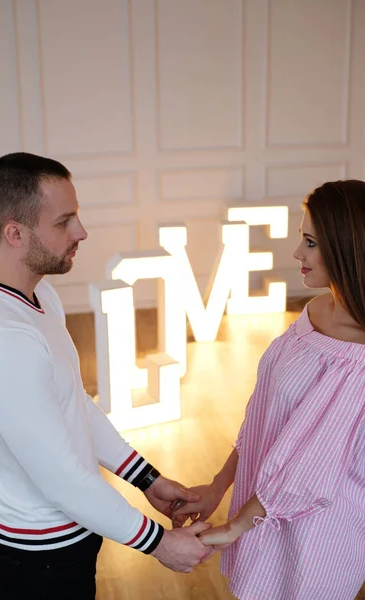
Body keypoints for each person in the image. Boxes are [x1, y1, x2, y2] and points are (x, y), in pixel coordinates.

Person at [0, 152, 214, 600]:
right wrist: (159, 543)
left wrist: (148, 480)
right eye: (64, 222)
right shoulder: (4, 342)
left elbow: (73, 401)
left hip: (66, 533)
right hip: (38, 555)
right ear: (14, 232)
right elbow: (60, 477)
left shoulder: (36, 295)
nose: (81, 231)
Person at [172, 180, 365, 600]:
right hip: (262, 517)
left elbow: (310, 465)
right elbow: (264, 416)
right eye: (302, 238)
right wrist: (219, 485)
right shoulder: (314, 311)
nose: (298, 254)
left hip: (315, 539)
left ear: (349, 249)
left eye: (311, 242)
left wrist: (237, 525)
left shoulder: (360, 362)